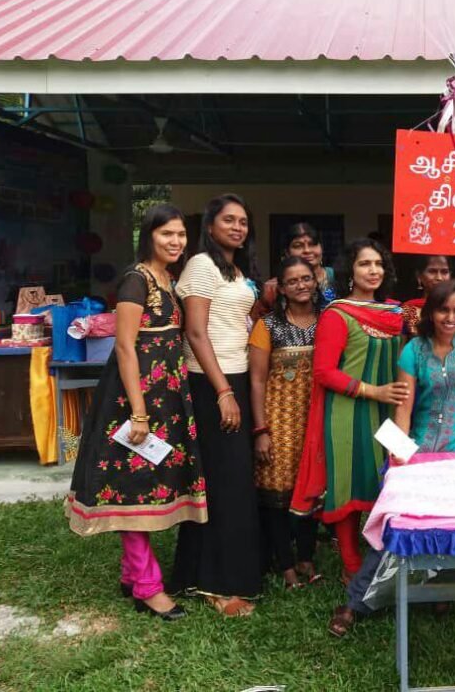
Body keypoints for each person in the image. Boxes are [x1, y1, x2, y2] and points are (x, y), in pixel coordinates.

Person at [327, 279, 455, 637]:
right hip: (421, 451)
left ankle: (442, 591)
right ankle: (356, 602)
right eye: (443, 310)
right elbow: (404, 407)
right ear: (430, 313)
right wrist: (399, 452)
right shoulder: (414, 350)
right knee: (395, 526)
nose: (451, 318)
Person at [66, 204, 206, 621]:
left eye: (181, 234)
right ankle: (148, 586)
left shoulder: (169, 279)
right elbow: (125, 347)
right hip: (133, 400)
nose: (176, 241)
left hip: (166, 397)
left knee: (151, 479)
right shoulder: (135, 281)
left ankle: (132, 575)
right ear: (150, 236)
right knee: (133, 486)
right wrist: (140, 413)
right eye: (167, 234)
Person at [291, 238, 409, 584]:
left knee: (391, 478)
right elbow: (324, 371)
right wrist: (375, 391)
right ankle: (351, 563)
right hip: (348, 412)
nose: (373, 271)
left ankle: (389, 555)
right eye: (364, 264)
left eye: (379, 264)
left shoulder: (396, 314)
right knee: (349, 483)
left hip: (392, 412)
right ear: (350, 271)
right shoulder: (338, 314)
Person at [169, 193, 262, 617]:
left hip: (237, 376)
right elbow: (196, 332)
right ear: (210, 226)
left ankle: (203, 573)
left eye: (243, 221)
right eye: (229, 220)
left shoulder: (237, 270)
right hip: (212, 382)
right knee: (224, 483)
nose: (238, 227)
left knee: (233, 482)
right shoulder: (201, 266)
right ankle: (219, 585)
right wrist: (223, 391)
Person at [249, 256, 322, 590]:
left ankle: (307, 558)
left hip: (316, 422)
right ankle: (286, 565)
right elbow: (257, 381)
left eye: (306, 278)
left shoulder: (329, 320)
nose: (301, 285)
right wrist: (261, 430)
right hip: (278, 424)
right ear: (281, 287)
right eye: (292, 281)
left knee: (312, 492)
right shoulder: (268, 325)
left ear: (316, 280)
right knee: (277, 501)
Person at [399, 254, 455, 336]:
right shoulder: (408, 309)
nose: (439, 277)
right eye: (432, 271)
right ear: (419, 276)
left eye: (444, 272)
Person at [286, 222, 337, 305]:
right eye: (298, 246)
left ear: (321, 248)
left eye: (312, 244)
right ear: (287, 253)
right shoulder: (276, 287)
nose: (307, 250)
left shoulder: (339, 277)